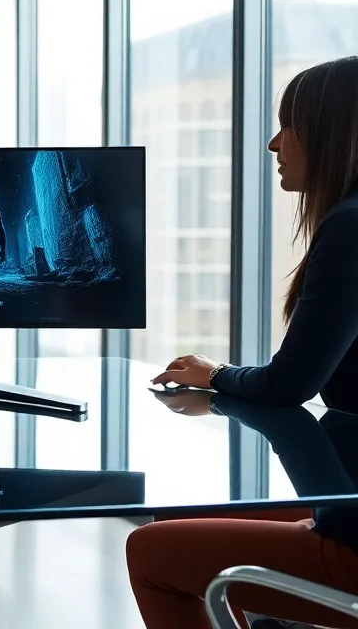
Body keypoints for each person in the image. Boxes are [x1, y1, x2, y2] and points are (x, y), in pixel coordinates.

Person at [131, 56, 358, 628]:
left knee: (150, 553)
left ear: (331, 135)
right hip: (348, 492)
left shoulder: (351, 227)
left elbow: (290, 383)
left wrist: (216, 375)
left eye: (291, 127)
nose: (274, 143)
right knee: (175, 521)